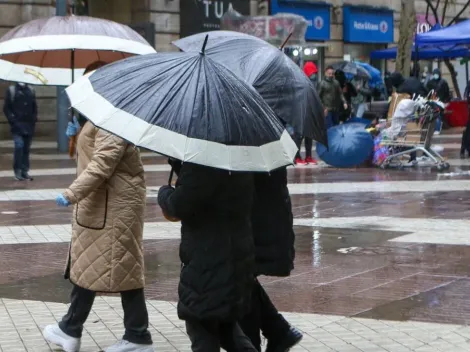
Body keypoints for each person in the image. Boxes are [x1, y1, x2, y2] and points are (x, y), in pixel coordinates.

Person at [43, 61, 153, 352]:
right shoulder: (100, 116)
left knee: (120, 266)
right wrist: (78, 131)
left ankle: (136, 335)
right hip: (104, 206)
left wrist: (71, 193)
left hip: (113, 207)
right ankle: (72, 327)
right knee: (96, 266)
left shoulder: (111, 119)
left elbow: (102, 164)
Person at [158, 160, 257, 352]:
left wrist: (164, 193)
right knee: (227, 329)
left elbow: (179, 204)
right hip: (236, 255)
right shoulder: (240, 159)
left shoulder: (201, 161)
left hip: (207, 262)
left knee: (201, 325)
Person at [239, 168, 303, 352]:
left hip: (255, 224)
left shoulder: (243, 146)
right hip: (264, 220)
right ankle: (278, 330)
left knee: (242, 280)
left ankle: (268, 336)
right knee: (244, 280)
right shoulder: (263, 143)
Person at [3, 82, 37, 181]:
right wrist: (12, 120)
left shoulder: (30, 90)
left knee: (26, 148)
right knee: (19, 146)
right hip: (17, 126)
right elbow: (6, 108)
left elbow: (34, 107)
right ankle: (17, 170)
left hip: (28, 125)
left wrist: (34, 119)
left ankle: (24, 171)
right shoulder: (12, 90)